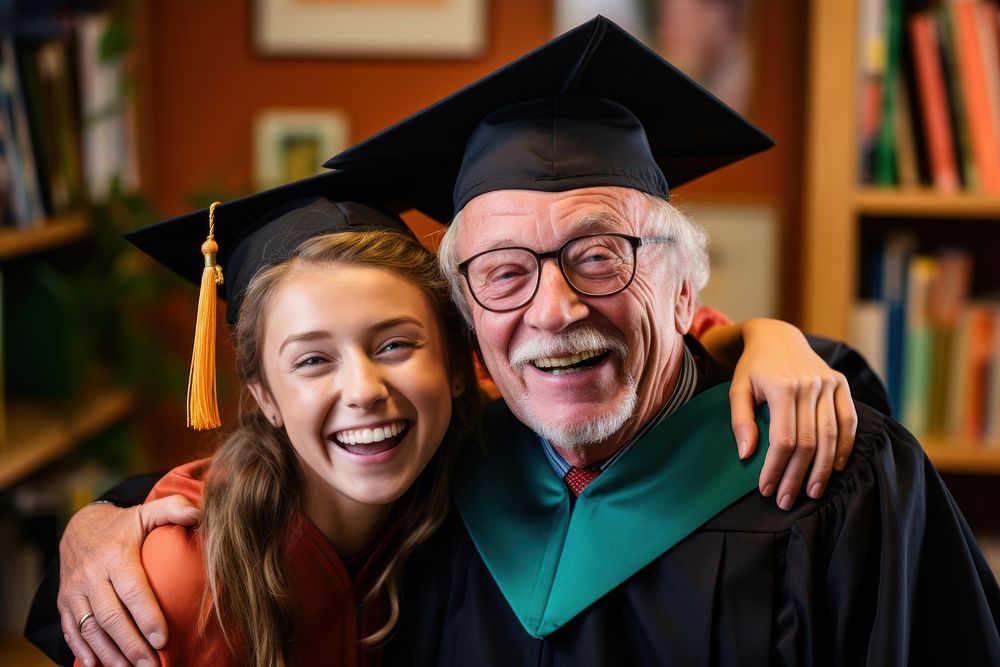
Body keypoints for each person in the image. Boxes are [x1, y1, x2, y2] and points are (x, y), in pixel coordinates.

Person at [328, 15, 995, 665]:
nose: (555, 311)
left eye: (599, 257)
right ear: (470, 316)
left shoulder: (842, 483)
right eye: (505, 273)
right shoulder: (439, 484)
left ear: (683, 291)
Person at [30, 164, 867, 667]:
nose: (363, 389)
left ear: (464, 361)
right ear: (261, 399)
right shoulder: (174, 580)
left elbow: (631, 349)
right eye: (312, 359)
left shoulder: (473, 471)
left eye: (397, 344)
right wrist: (92, 525)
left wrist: (774, 340)